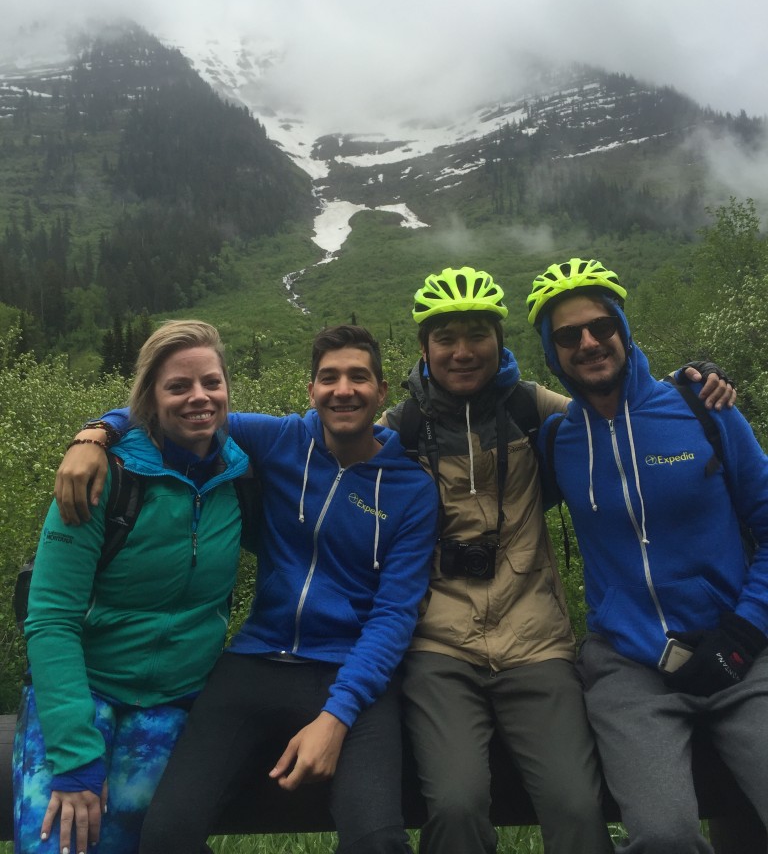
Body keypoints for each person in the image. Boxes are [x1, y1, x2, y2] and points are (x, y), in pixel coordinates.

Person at [379, 266, 734, 854]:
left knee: (576, 807)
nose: (463, 352)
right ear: (424, 348)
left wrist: (694, 378)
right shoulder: (399, 428)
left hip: (536, 641)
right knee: (457, 805)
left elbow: (616, 411)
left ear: (502, 341)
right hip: (438, 643)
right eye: (446, 338)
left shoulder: (534, 410)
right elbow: (335, 457)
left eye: (477, 335)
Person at [54, 324, 438, 854]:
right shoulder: (280, 439)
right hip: (256, 660)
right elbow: (186, 412)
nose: (343, 389)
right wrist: (95, 433)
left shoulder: (411, 487)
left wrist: (337, 715)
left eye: (358, 377)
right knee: (166, 837)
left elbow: (395, 613)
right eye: (329, 377)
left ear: (382, 391)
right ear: (311, 391)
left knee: (377, 840)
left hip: (353, 674)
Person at [527, 257, 768, 854]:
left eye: (601, 325)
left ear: (624, 330)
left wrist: (744, 632)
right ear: (551, 353)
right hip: (630, 668)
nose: (588, 342)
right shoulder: (559, 441)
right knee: (662, 837)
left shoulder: (703, 409)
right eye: (566, 335)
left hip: (740, 648)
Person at [13, 320, 251, 854]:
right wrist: (75, 760)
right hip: (86, 689)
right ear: (150, 396)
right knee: (61, 842)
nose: (199, 398)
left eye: (211, 383)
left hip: (176, 700)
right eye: (178, 386)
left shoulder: (241, 474)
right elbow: (50, 617)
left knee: (137, 842)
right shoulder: (101, 478)